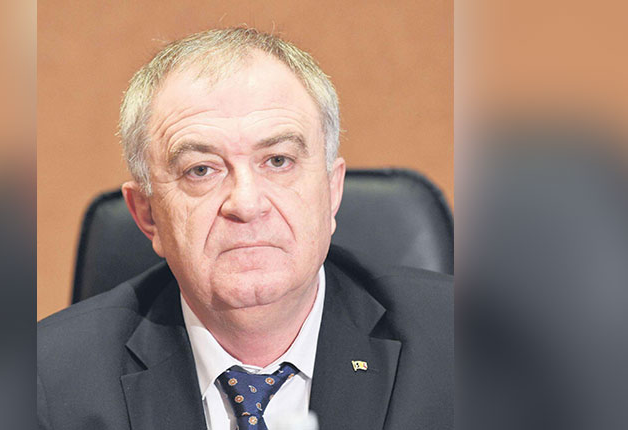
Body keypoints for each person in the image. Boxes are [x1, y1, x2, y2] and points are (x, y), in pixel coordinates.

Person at [38, 28, 453, 430]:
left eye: (278, 161)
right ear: (147, 214)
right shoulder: (46, 383)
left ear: (331, 190)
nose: (246, 204)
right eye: (201, 170)